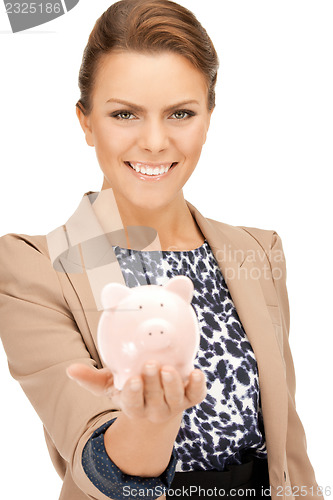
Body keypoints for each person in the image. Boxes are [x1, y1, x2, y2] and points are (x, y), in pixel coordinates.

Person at [0, 1, 323, 499]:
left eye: (180, 113)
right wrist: (151, 422)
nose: (154, 141)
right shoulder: (35, 267)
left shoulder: (256, 252)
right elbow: (91, 460)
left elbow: (288, 446)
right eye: (124, 113)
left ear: (208, 118)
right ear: (85, 122)